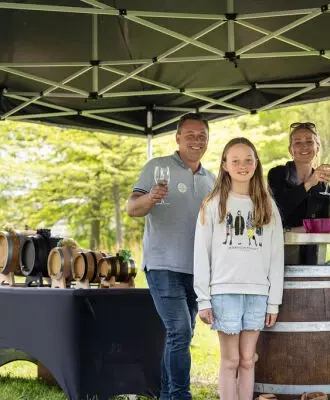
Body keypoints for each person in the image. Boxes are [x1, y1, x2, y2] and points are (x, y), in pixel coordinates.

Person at [127, 113, 216, 400]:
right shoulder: (157, 166)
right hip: (163, 265)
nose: (196, 140)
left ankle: (167, 394)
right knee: (179, 331)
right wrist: (150, 198)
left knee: (181, 335)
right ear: (177, 138)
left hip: (197, 269)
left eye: (202, 136)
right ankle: (179, 395)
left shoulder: (212, 179)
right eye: (190, 135)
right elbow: (132, 209)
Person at [194, 137, 284, 400]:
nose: (242, 166)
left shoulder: (267, 205)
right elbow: (201, 254)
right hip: (225, 292)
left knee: (247, 359)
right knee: (230, 360)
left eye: (248, 160)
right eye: (235, 161)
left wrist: (273, 302)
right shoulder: (213, 204)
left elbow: (276, 256)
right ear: (224, 165)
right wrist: (203, 299)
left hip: (258, 293)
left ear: (256, 164)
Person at [267, 122, 330, 231]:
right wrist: (309, 183)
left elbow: (322, 227)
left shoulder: (324, 188)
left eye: (309, 141)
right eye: (298, 142)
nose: (304, 146)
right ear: (290, 150)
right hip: (281, 242)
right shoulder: (277, 174)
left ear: (317, 147)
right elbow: (279, 210)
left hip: (311, 242)